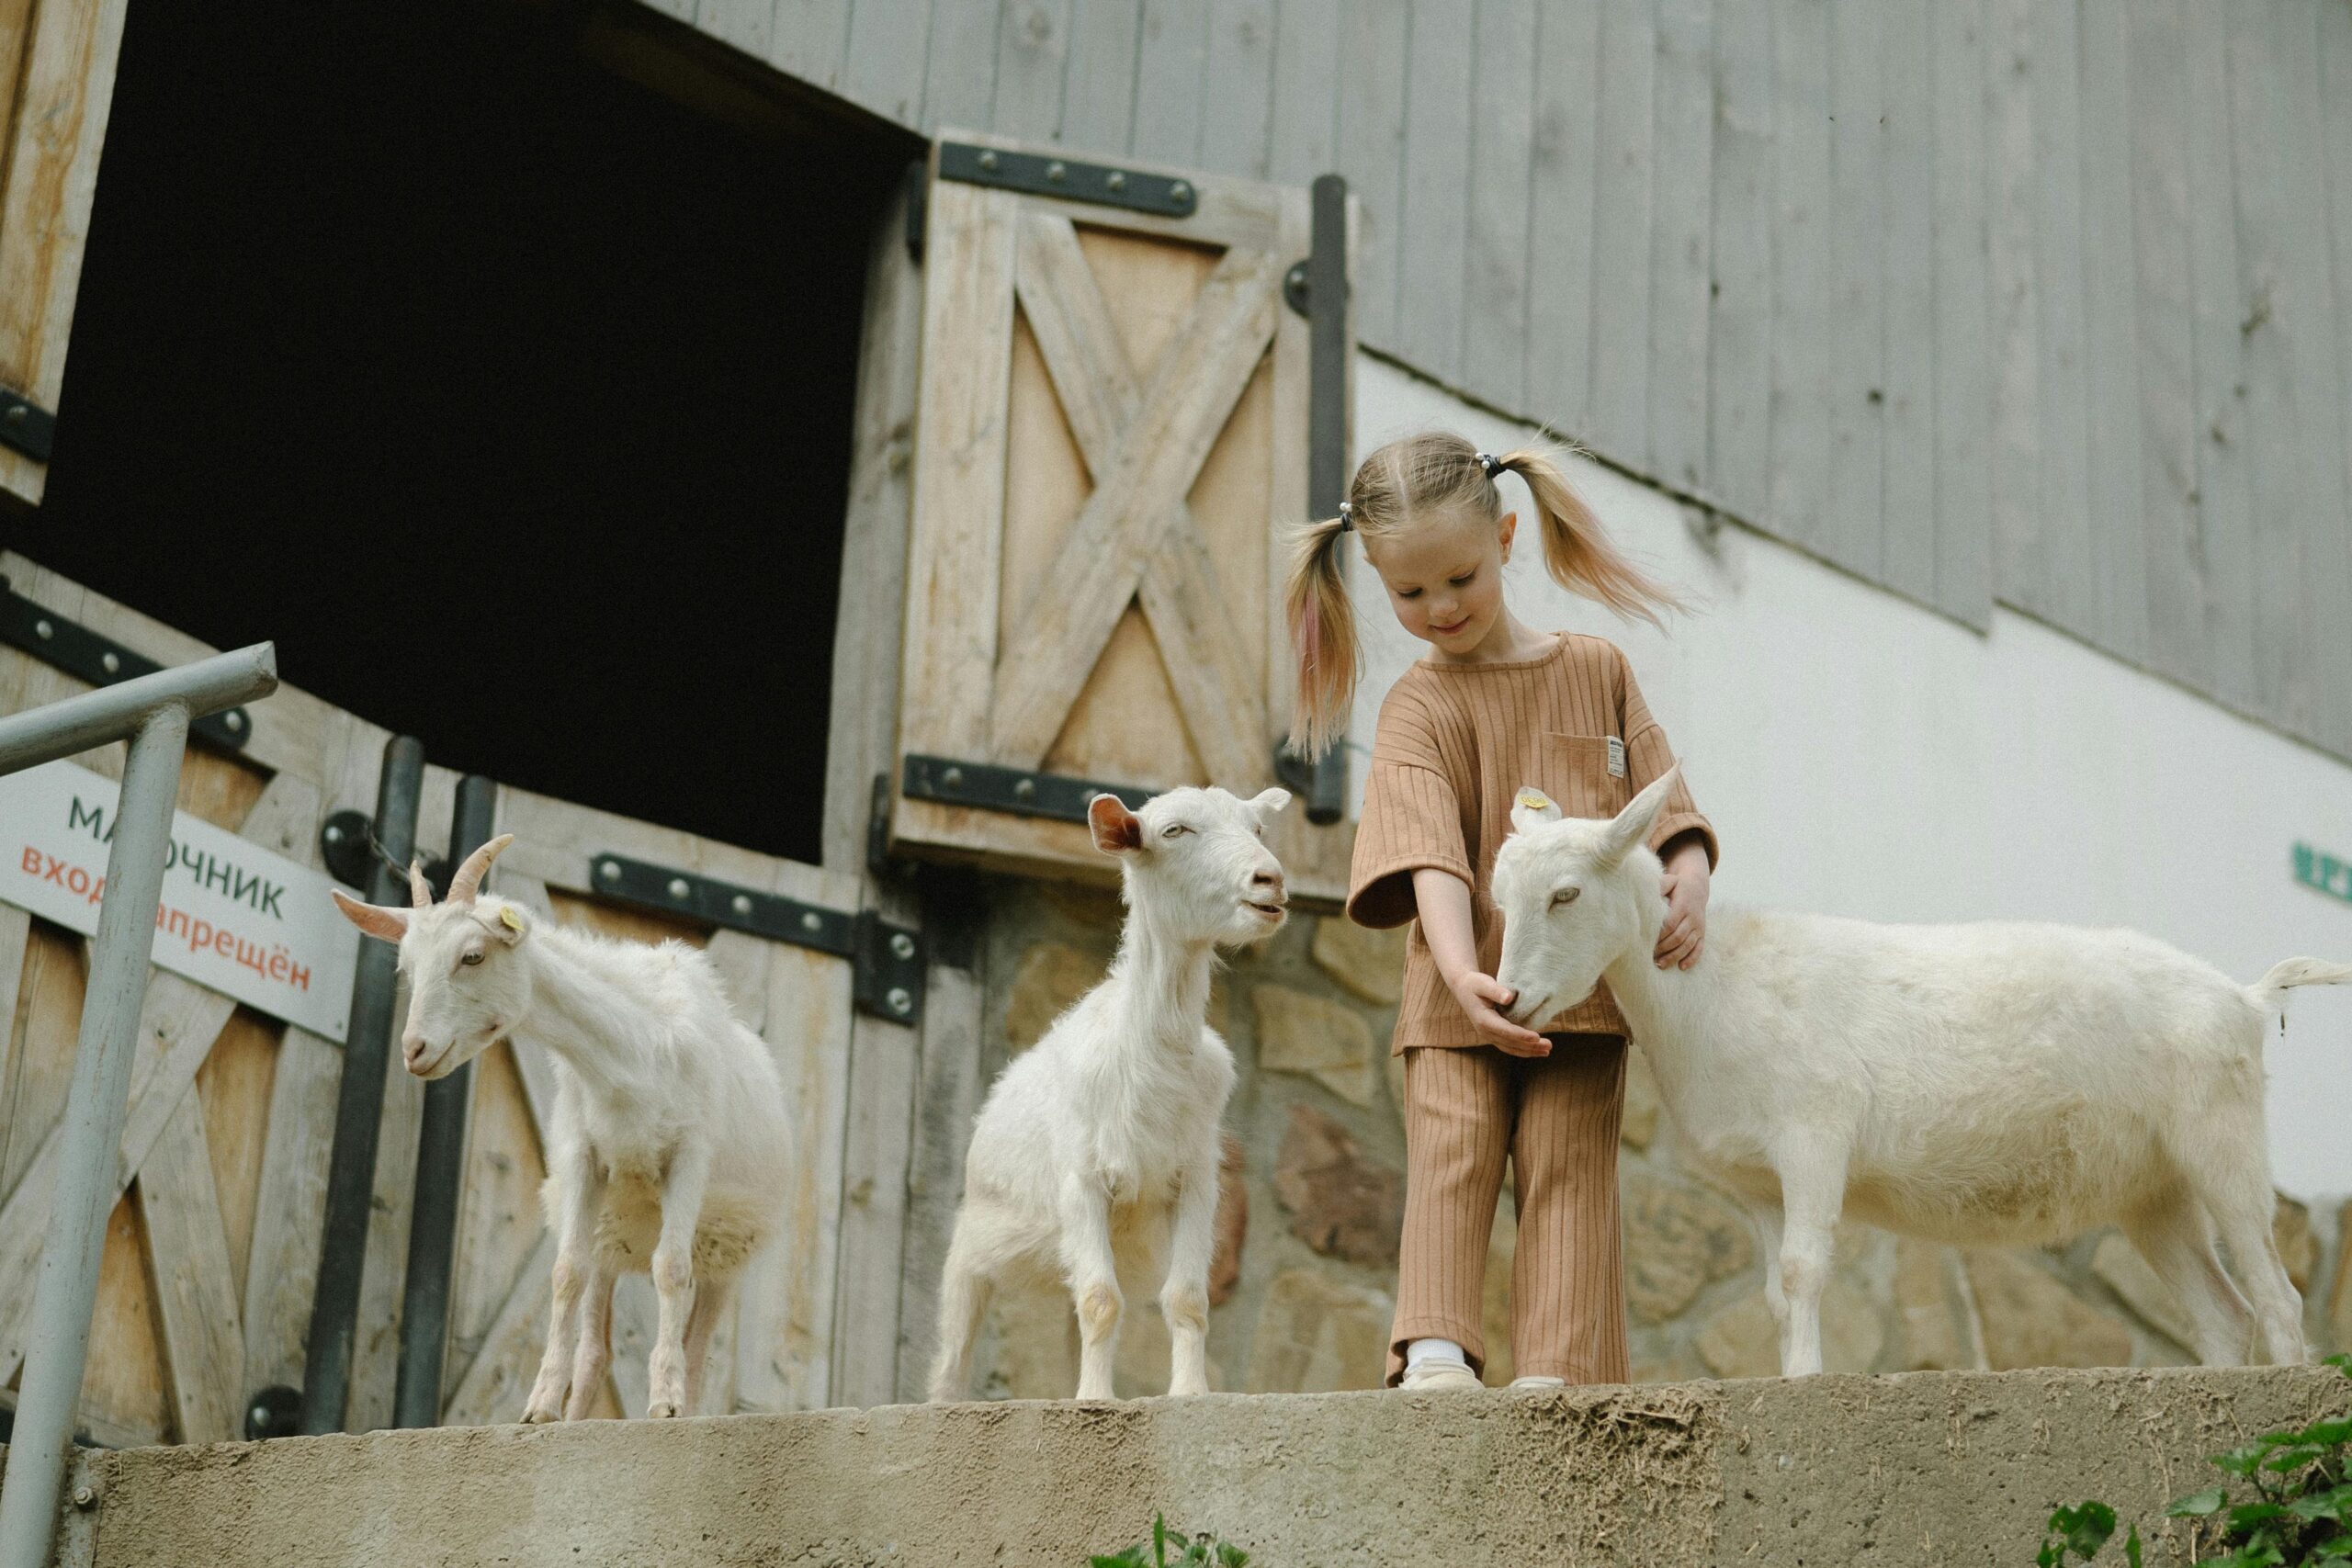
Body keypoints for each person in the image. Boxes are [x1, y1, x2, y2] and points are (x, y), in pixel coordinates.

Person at [1285, 432, 1716, 1390]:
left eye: (1458, 579)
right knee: (1454, 1147)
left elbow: (1662, 791)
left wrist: (1686, 870)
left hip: (1581, 996)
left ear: (1508, 538)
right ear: (1376, 581)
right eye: (1408, 593)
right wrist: (1457, 973)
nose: (1438, 609)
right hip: (1457, 996)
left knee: (1570, 1167)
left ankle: (1557, 1374)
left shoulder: (1596, 669)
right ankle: (1436, 1350)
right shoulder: (1414, 707)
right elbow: (1427, 851)